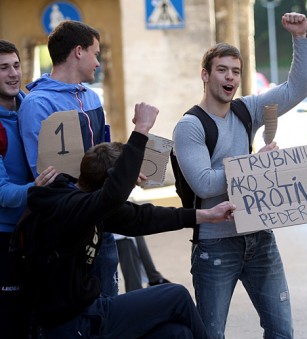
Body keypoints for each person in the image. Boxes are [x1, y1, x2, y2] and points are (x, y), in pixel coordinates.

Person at [19, 102, 236, 338]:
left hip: (88, 316)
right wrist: (141, 128)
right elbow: (113, 195)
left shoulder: (89, 205)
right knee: (176, 296)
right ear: (109, 183)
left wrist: (206, 215)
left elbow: (144, 218)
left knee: (177, 333)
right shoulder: (71, 209)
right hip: (72, 324)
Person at [172, 12, 307, 338]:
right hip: (216, 246)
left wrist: (300, 39)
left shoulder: (246, 109)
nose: (230, 77)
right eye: (222, 70)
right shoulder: (190, 126)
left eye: (235, 71)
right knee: (211, 334)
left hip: (260, 237)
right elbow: (204, 183)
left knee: (281, 332)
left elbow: (297, 88)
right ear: (205, 75)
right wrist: (253, 167)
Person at [18, 20, 119, 298]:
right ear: (78, 51)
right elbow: (47, 176)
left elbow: (103, 153)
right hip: (67, 229)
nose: (98, 62)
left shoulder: (93, 98)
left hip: (101, 219)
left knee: (110, 308)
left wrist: (123, 170)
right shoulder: (37, 104)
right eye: (95, 53)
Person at [0, 39, 58, 339]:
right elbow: (2, 193)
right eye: (3, 68)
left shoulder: (32, 107)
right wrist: (34, 188)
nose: (13, 74)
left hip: (38, 231)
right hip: (6, 237)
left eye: (16, 65)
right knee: (12, 322)